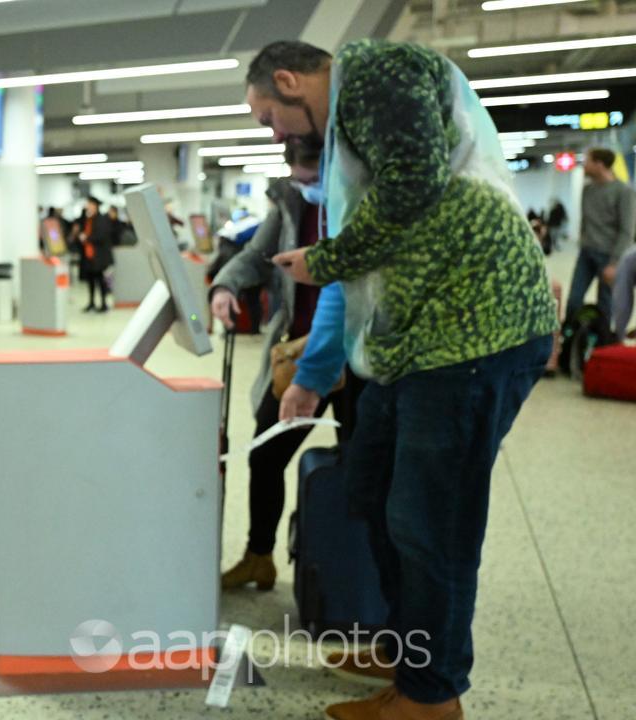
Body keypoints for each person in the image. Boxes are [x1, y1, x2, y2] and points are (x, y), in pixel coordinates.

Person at [247, 40, 557, 720]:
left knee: (430, 521)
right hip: (416, 342)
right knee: (373, 492)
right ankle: (407, 651)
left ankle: (432, 695)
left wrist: (325, 258)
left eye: (269, 116)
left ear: (290, 80)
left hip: (476, 329)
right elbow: (362, 256)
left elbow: (413, 185)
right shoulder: (348, 141)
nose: (275, 135)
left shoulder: (378, 75)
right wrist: (323, 353)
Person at [211, 141, 364, 591]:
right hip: (299, 354)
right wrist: (225, 286)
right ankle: (259, 555)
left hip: (357, 360)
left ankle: (356, 581)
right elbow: (255, 257)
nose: (307, 189)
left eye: (314, 179)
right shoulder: (290, 203)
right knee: (265, 455)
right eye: (299, 179)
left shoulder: (362, 199)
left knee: (363, 468)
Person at [566, 148, 636, 323]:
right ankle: (570, 339)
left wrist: (614, 263)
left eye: (587, 161)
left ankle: (602, 344)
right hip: (587, 253)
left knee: (605, 304)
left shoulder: (624, 192)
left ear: (599, 164)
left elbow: (627, 230)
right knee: (574, 300)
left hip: (609, 256)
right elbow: (585, 221)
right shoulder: (587, 190)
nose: (584, 165)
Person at [76, 196, 114, 312]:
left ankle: (103, 304)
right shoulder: (87, 220)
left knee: (100, 281)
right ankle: (91, 302)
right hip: (89, 255)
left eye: (90, 204)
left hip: (99, 256)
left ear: (95, 206)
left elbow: (101, 237)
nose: (88, 207)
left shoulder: (101, 219)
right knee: (91, 280)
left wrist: (86, 238)